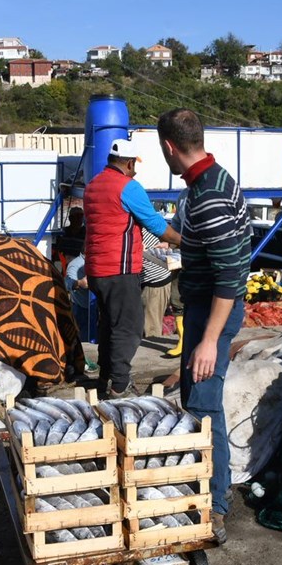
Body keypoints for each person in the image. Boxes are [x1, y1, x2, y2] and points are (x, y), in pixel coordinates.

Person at [157, 108, 251, 544]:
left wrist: (209, 341)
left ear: (169, 147)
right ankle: (204, 491)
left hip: (214, 310)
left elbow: (230, 275)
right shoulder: (208, 184)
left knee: (205, 402)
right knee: (196, 398)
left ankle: (214, 505)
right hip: (204, 307)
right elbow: (191, 237)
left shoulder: (208, 195)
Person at [84, 138, 180, 399]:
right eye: (134, 165)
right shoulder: (129, 187)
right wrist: (186, 241)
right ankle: (119, 386)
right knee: (129, 328)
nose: (135, 170)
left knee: (108, 327)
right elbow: (156, 225)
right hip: (120, 270)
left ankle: (105, 379)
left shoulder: (92, 187)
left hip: (96, 270)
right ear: (128, 163)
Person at [141, 230, 172, 339]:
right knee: (147, 324)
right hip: (148, 280)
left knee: (151, 329)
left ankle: (150, 353)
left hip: (155, 281)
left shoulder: (138, 226)